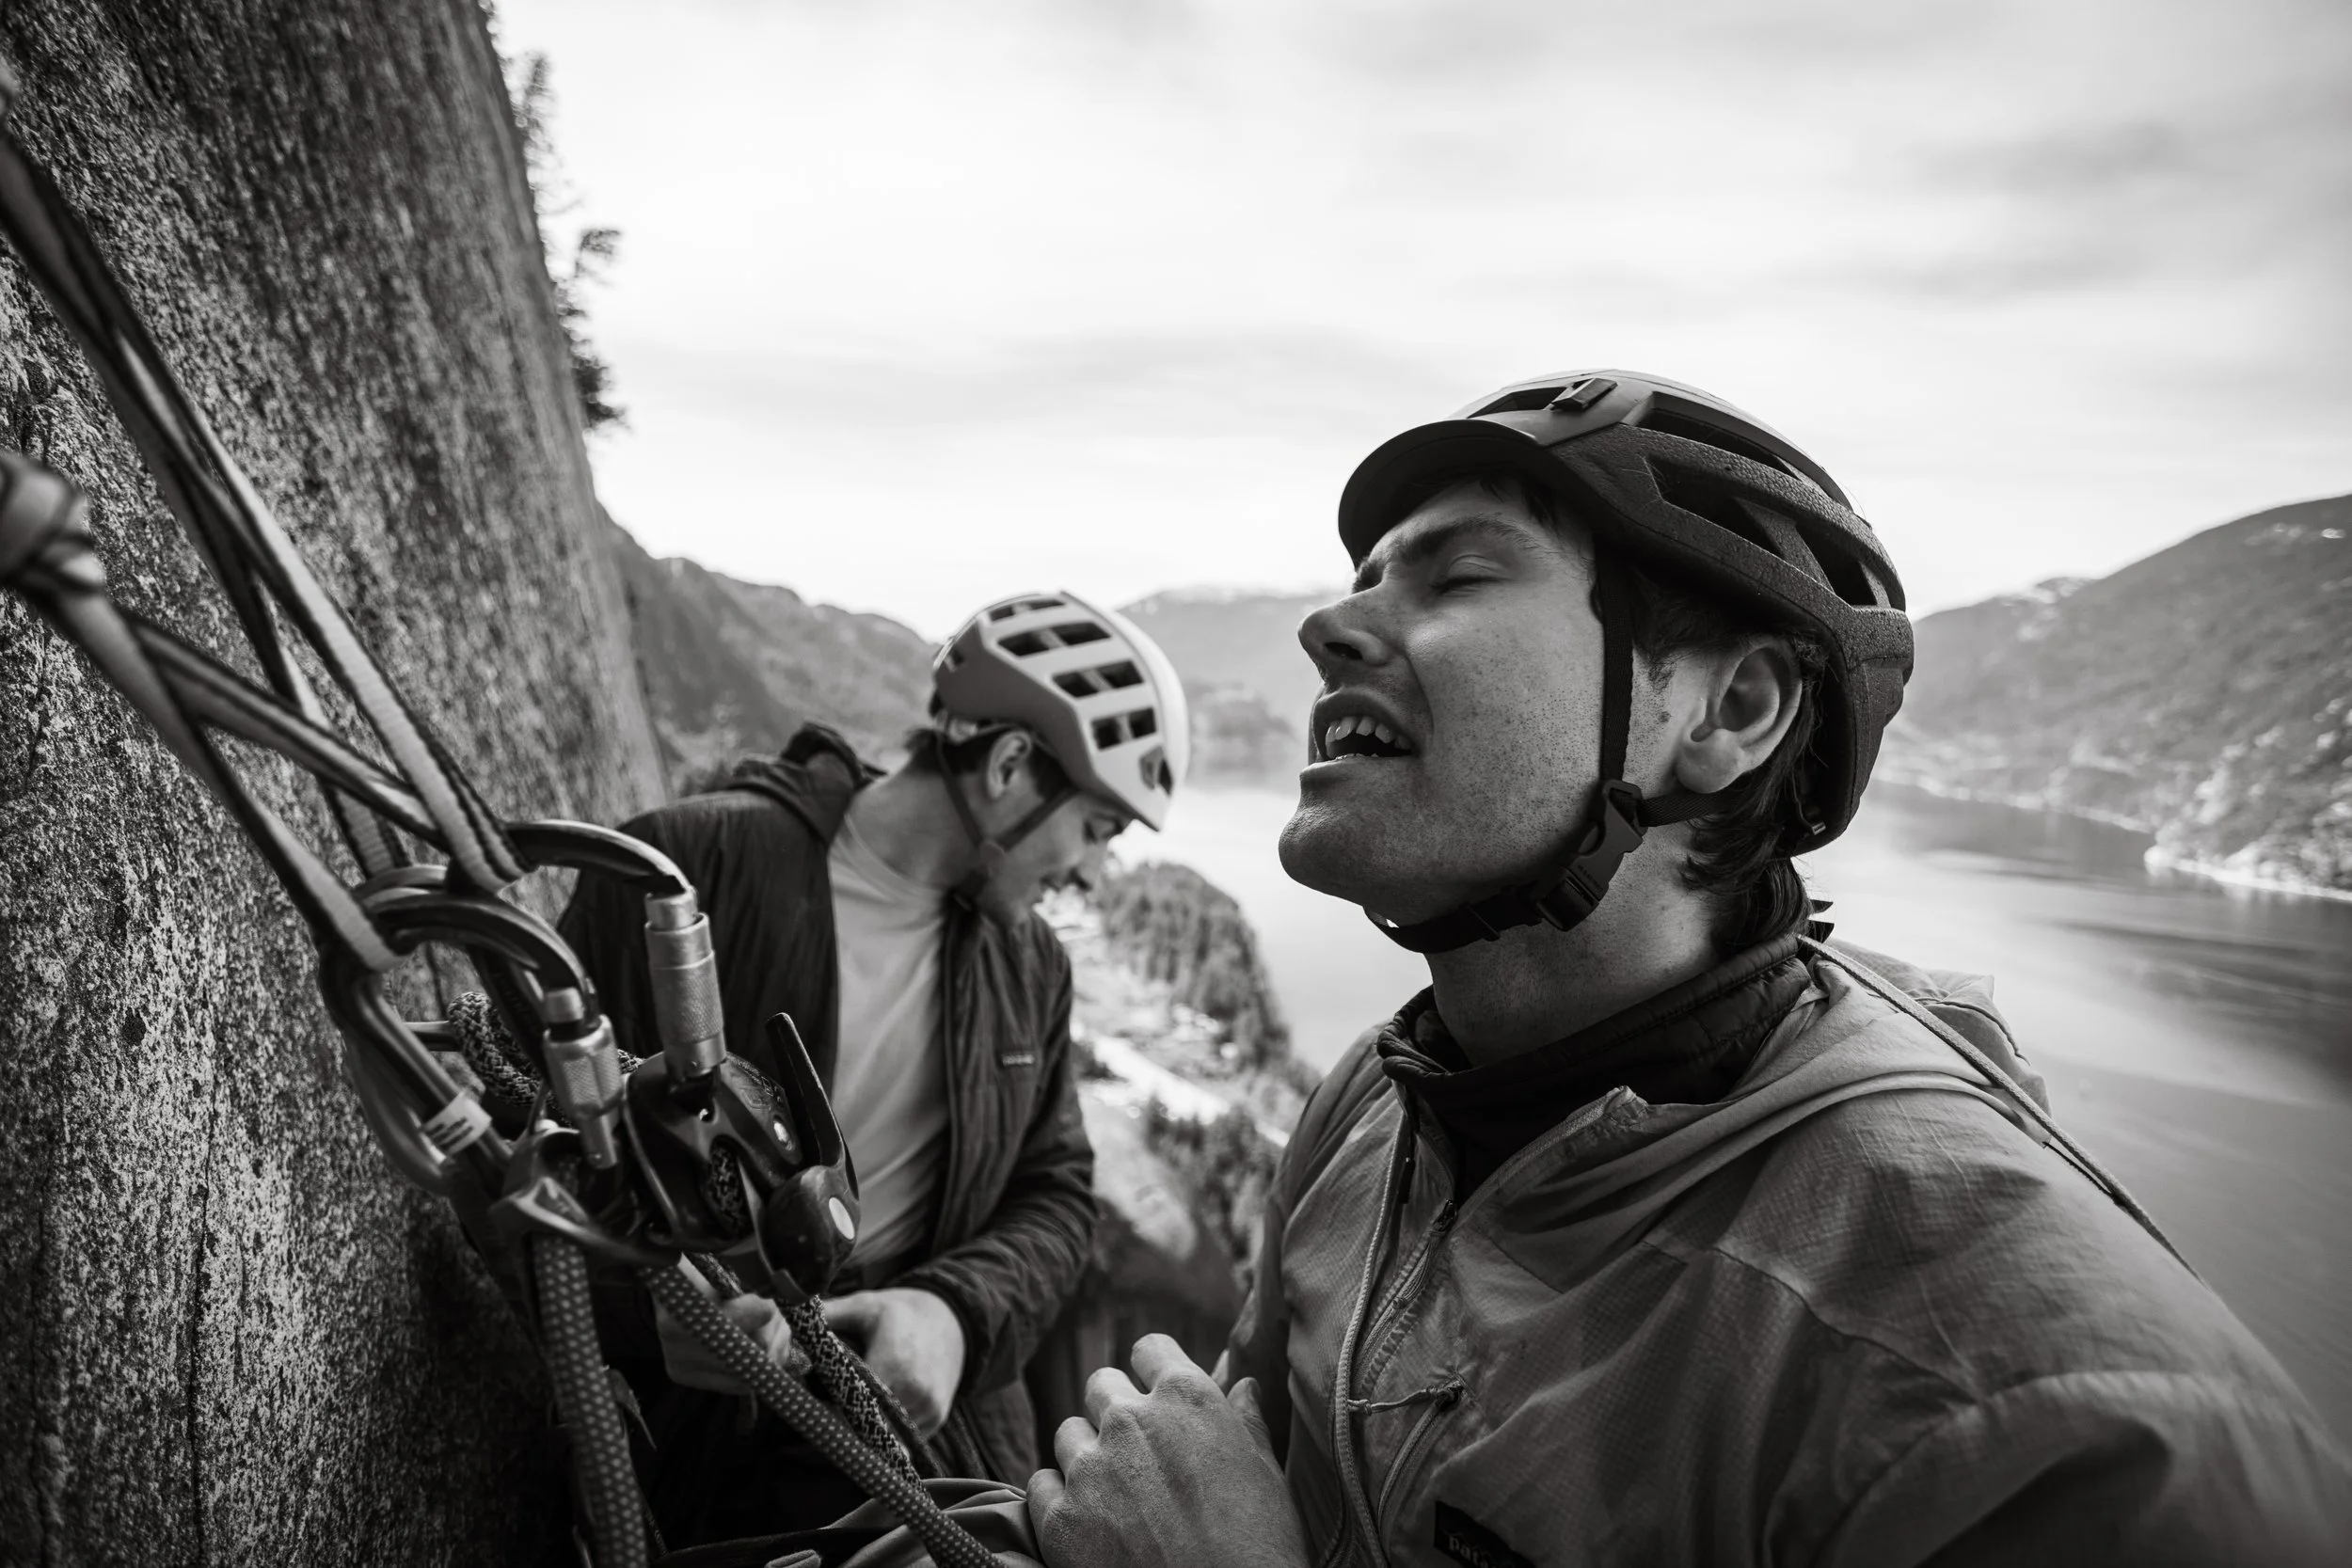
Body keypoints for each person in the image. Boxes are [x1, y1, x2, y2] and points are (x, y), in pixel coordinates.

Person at [1025, 372, 2352, 1566]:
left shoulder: (2055, 1414)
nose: (1329, 622)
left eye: (1456, 576)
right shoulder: (1375, 1111)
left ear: (1731, 711)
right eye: (1368, 574)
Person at [560, 590, 1190, 1544]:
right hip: (691, 1433)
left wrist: (952, 1312)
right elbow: (530, 1137)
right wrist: (648, 1307)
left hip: (915, 1433)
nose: (1095, 872)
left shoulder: (1032, 967)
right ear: (1012, 766)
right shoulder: (686, 866)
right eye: (1099, 828)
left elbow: (1055, 1196)